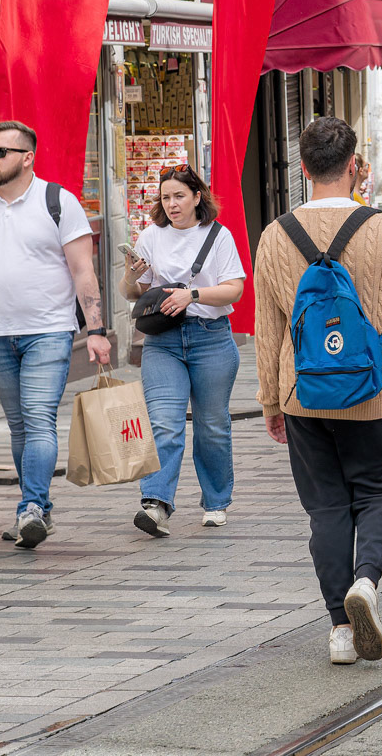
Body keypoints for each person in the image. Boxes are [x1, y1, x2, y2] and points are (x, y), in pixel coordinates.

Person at [252, 117, 382, 666]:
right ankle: (366, 581)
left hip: (303, 393)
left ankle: (339, 629)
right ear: (355, 166)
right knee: (380, 493)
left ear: (304, 169)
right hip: (375, 389)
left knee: (326, 508)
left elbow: (268, 329)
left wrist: (270, 398)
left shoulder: (275, 235)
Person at [0, 120, 111, 550]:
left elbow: (83, 271)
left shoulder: (58, 202)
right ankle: (39, 509)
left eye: (1, 152)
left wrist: (97, 329)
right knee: (18, 427)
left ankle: (30, 506)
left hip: (48, 332)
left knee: (38, 418)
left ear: (27, 157)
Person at [118, 164, 246, 536]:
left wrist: (191, 295)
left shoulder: (218, 235)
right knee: (164, 422)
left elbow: (234, 288)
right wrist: (131, 273)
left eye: (179, 196)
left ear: (196, 197)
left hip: (210, 337)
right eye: (165, 197)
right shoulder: (151, 237)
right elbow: (132, 293)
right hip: (163, 341)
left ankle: (216, 501)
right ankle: (156, 503)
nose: (172, 204)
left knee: (211, 424)